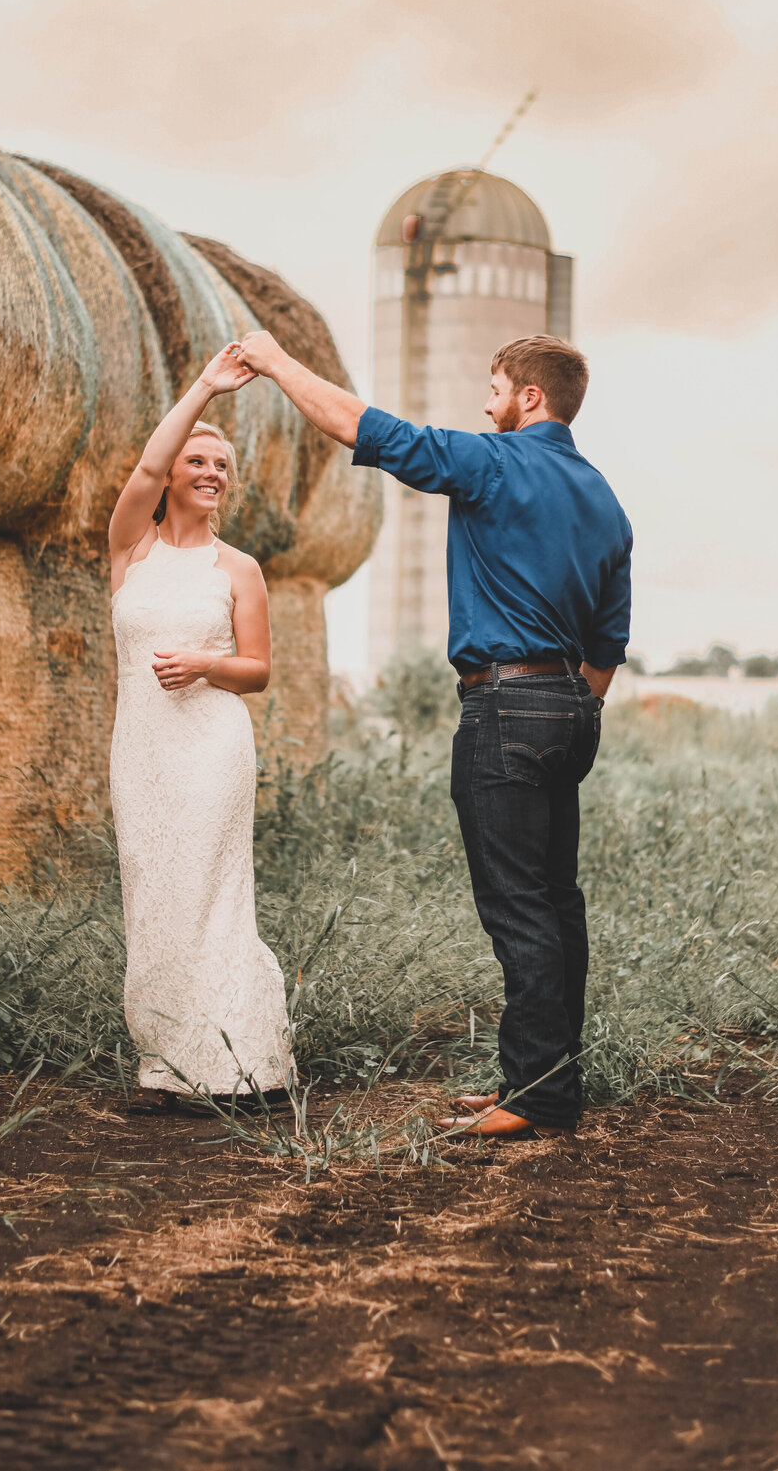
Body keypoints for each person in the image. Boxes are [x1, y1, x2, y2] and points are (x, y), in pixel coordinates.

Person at [233, 330, 631, 1140]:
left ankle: (538, 1097)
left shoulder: (493, 461)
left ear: (530, 397)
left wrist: (275, 362)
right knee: (557, 903)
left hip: (504, 703)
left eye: (494, 387)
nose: (485, 403)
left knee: (518, 907)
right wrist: (568, 707)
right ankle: (545, 1078)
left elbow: (367, 429)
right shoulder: (605, 498)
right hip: (570, 707)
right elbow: (608, 646)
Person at [107, 346, 294, 1111]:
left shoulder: (238, 567)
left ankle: (241, 1062)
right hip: (141, 746)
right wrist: (206, 390)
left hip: (211, 745)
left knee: (210, 893)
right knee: (151, 891)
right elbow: (145, 469)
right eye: (199, 458)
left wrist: (204, 663)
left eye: (223, 462)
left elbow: (258, 669)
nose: (213, 471)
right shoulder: (132, 547)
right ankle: (163, 1063)